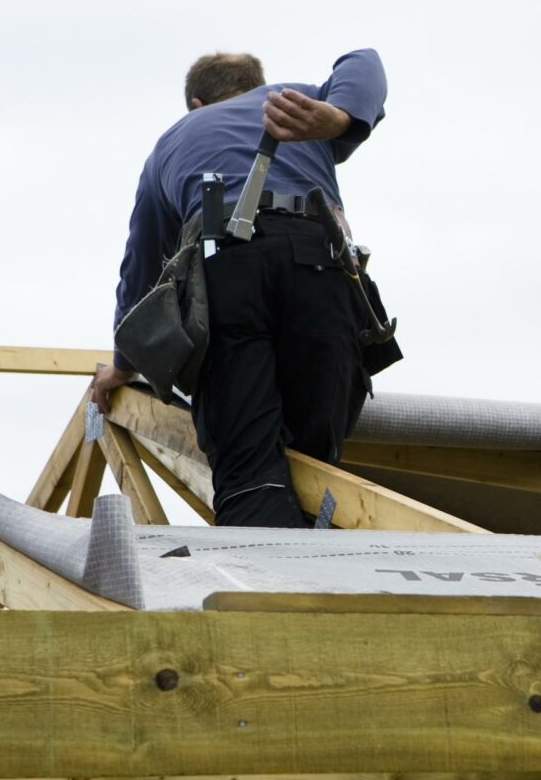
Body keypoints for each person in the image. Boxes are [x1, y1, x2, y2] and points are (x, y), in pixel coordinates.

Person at [91, 49, 398, 528]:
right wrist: (337, 118)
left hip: (228, 272)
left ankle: (268, 586)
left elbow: (141, 271)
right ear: (258, 84)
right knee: (314, 463)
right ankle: (319, 570)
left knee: (250, 473)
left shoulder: (170, 144)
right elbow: (365, 62)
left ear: (196, 102)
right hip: (321, 263)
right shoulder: (294, 105)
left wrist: (123, 365)